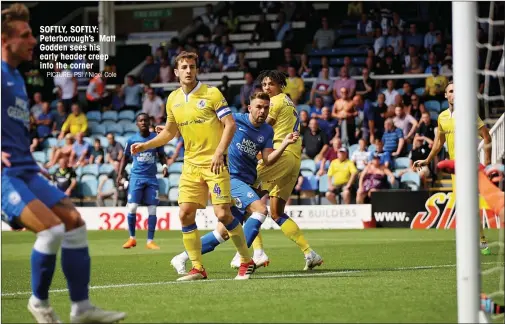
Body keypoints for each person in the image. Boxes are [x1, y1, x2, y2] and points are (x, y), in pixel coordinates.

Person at [1, 3, 125, 323]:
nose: (34, 41)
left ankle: (81, 308)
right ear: (4, 39)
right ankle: (39, 304)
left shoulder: (15, 78)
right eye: (26, 35)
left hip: (26, 170)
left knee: (74, 223)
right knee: (52, 231)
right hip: (5, 176)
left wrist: (32, 161)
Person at [130, 51, 256, 281]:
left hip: (215, 163)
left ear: (197, 70)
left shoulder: (212, 94)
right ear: (176, 72)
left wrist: (219, 152)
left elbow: (230, 125)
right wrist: (146, 145)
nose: (188, 71)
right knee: (185, 213)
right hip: (190, 165)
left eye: (192, 67)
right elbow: (169, 132)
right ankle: (198, 268)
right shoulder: (173, 99)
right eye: (184, 67)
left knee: (222, 214)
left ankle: (246, 261)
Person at [170, 92, 300, 274]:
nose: (263, 111)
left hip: (246, 182)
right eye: (259, 107)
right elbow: (203, 122)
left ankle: (181, 257)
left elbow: (268, 159)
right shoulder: (235, 120)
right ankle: (243, 257)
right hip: (229, 178)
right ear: (249, 108)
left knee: (222, 233)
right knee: (261, 210)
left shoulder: (267, 131)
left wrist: (285, 143)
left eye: (266, 108)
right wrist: (175, 129)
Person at [413, 81, 493, 255]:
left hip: (470, 164)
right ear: (445, 95)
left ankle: (481, 241)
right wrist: (427, 160)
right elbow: (438, 143)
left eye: (457, 91)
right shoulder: (442, 117)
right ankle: (476, 240)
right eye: (450, 91)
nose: (453, 94)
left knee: (470, 204)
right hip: (454, 167)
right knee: (462, 205)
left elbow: (487, 137)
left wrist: (487, 164)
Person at [254, 70, 323, 270]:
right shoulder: (289, 103)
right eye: (264, 84)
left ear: (280, 86)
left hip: (279, 155)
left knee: (246, 199)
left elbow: (260, 127)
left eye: (271, 84)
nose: (267, 88)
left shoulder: (274, 102)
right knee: (276, 213)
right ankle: (310, 253)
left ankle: (256, 253)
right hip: (293, 158)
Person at [117, 113, 168, 250]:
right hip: (136, 178)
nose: (143, 122)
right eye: (141, 120)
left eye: (145, 120)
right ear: (137, 124)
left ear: (149, 122)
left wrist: (165, 166)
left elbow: (162, 155)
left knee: (152, 209)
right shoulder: (132, 140)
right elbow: (125, 158)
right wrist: (119, 173)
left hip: (151, 178)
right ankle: (132, 238)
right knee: (132, 207)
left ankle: (150, 241)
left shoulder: (155, 139)